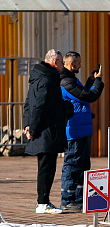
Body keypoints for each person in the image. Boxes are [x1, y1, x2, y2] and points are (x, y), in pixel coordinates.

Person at [23, 49, 72, 214]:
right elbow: (39, 106)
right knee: (47, 168)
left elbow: (29, 103)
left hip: (42, 130)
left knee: (45, 167)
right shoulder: (48, 79)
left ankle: (43, 202)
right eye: (60, 61)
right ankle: (42, 203)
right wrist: (34, 129)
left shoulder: (38, 77)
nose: (62, 64)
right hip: (46, 132)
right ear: (53, 62)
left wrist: (27, 125)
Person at [59, 51, 104, 212]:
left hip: (82, 130)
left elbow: (81, 95)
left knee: (83, 165)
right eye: (78, 63)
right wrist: (98, 81)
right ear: (71, 64)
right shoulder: (66, 81)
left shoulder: (72, 80)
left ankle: (78, 198)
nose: (80, 66)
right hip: (74, 131)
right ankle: (67, 200)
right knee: (72, 165)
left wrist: (90, 80)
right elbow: (88, 96)